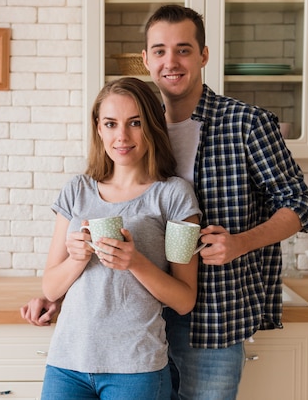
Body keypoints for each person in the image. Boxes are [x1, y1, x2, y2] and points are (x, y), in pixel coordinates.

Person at [22, 5, 308, 400]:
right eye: (159, 51)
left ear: (203, 55)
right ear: (145, 59)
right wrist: (63, 291)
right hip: (129, 327)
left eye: (183, 49)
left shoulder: (245, 124)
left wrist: (240, 242)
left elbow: (302, 204)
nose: (171, 62)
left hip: (210, 316)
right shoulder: (136, 122)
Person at [39, 76, 201, 400]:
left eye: (135, 123)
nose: (122, 136)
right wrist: (77, 259)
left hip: (136, 368)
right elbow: (50, 287)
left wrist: (135, 262)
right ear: (99, 128)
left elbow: (184, 300)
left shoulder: (174, 196)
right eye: (111, 124)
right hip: (67, 363)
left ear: (152, 125)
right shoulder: (76, 190)